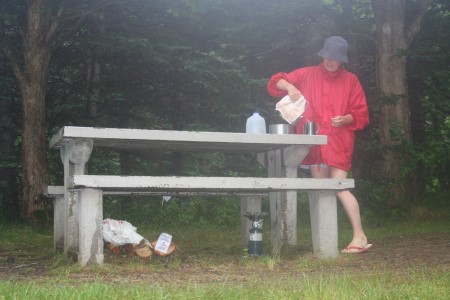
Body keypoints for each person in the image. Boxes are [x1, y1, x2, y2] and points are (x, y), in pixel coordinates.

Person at [267, 36, 372, 254]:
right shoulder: (306, 74)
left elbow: (361, 115)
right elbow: (275, 82)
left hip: (339, 142)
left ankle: (360, 236)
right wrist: (289, 86)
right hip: (313, 145)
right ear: (322, 54)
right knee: (321, 191)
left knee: (340, 188)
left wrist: (346, 119)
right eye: (327, 56)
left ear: (342, 60)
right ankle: (325, 241)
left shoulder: (351, 80)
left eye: (335, 58)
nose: (330, 61)